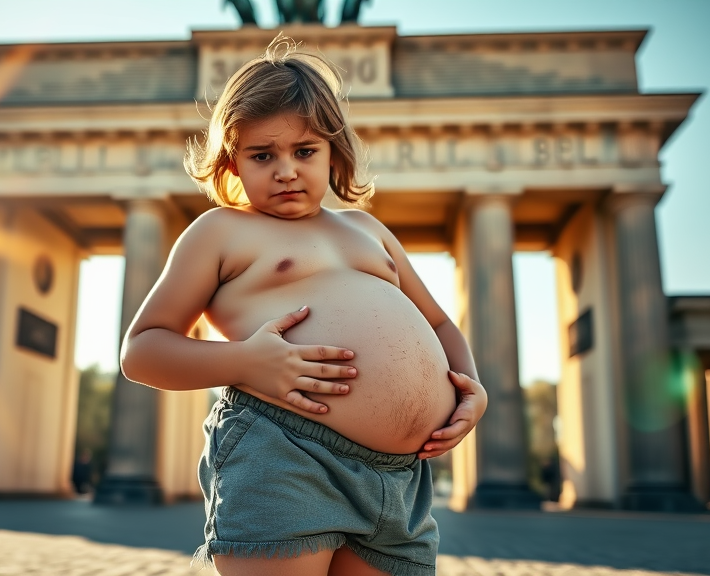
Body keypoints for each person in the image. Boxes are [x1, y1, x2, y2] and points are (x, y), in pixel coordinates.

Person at [121, 37, 487, 576]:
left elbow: (436, 322)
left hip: (399, 477)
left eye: (305, 151)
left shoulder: (367, 229)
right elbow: (142, 350)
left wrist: (469, 390)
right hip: (284, 452)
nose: (286, 170)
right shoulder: (222, 231)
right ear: (232, 162)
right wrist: (246, 362)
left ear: (334, 150)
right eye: (262, 155)